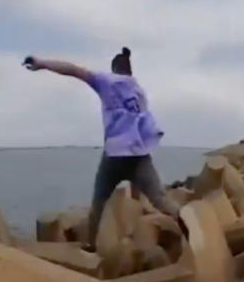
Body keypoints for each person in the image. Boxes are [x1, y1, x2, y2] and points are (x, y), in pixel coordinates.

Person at [24, 48, 181, 251]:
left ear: (114, 68)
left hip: (114, 156)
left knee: (98, 203)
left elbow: (72, 70)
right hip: (139, 154)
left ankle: (90, 245)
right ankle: (184, 217)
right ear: (130, 70)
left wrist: (42, 63)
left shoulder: (106, 81)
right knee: (160, 199)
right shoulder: (139, 90)